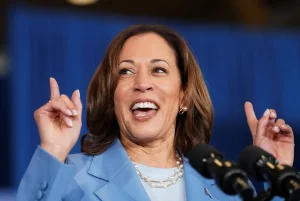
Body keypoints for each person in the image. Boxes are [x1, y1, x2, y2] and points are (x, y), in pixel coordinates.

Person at [16, 25, 295, 201]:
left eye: (158, 69)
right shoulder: (73, 177)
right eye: (126, 71)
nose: (141, 83)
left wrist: (277, 175)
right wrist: (52, 149)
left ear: (184, 95)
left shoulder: (226, 184)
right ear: (113, 96)